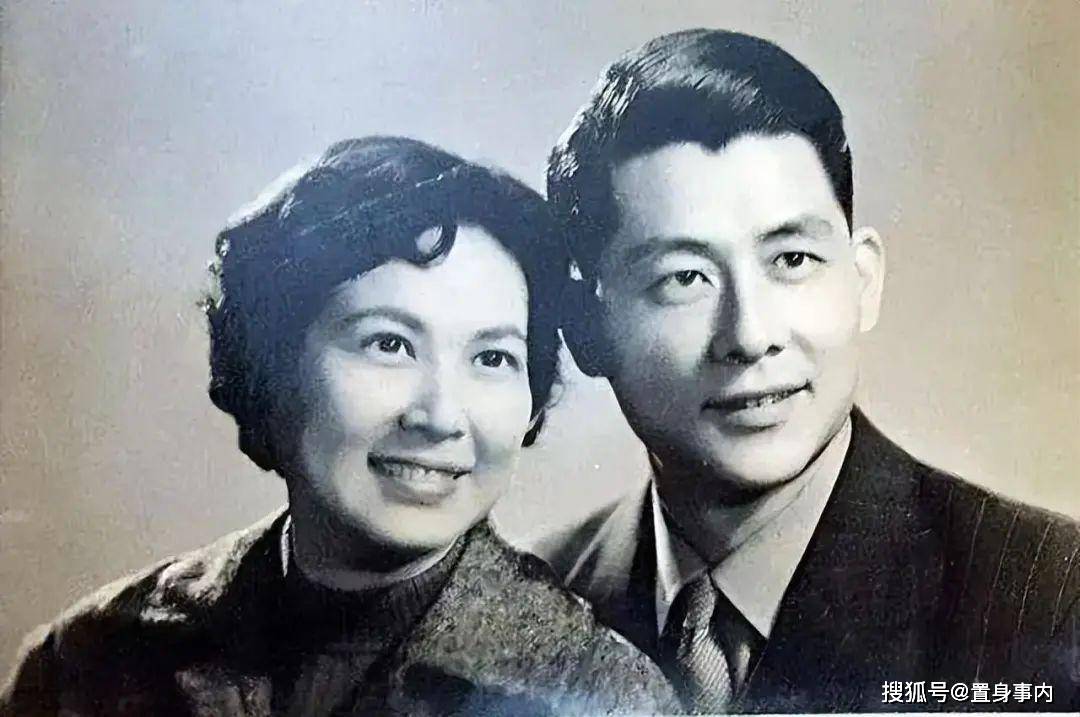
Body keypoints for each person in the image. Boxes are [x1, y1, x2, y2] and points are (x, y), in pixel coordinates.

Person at [0, 137, 676, 716]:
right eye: (389, 344)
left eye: (492, 358)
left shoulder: (603, 696)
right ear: (269, 363)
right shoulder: (86, 660)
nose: (440, 416)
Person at [530, 29, 1080, 713]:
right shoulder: (522, 606)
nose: (750, 336)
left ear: (862, 280)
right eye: (684, 278)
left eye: (792, 260)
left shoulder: (1053, 596)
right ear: (584, 328)